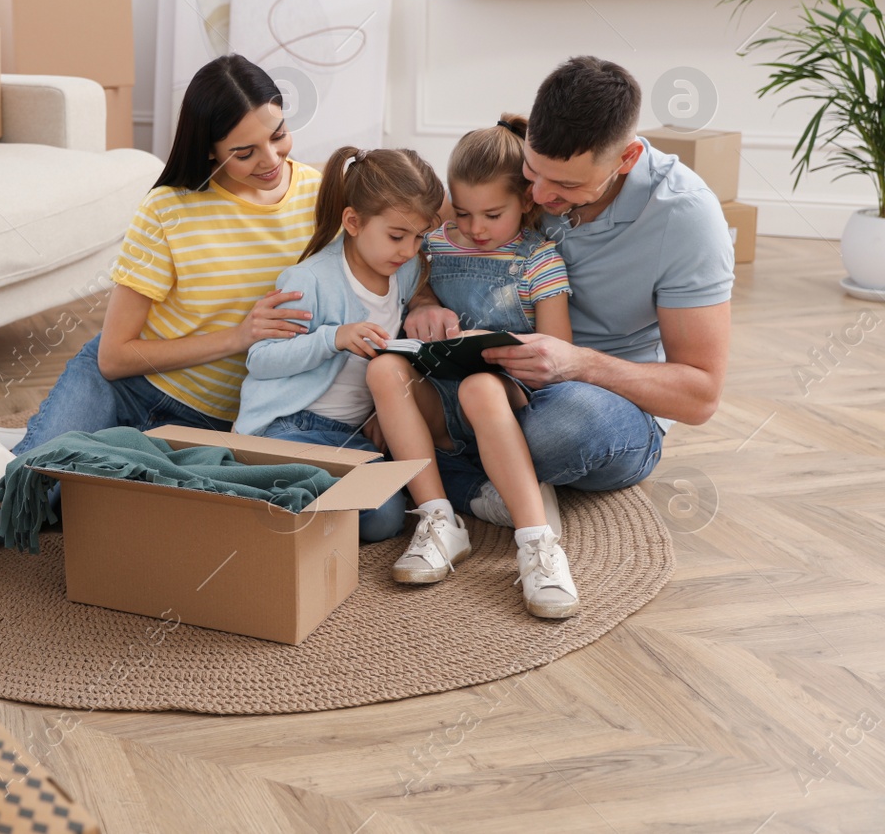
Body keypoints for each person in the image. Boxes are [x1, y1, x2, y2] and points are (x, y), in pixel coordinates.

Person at [0, 54, 322, 542]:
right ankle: (23, 448)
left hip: (222, 422)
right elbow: (113, 358)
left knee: (109, 516)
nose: (271, 160)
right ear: (211, 151)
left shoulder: (320, 196)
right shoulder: (168, 210)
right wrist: (240, 336)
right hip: (127, 387)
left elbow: (402, 241)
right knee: (6, 518)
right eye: (245, 152)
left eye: (278, 134)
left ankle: (57, 448)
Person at [402, 56, 734, 535]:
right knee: (385, 387)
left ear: (627, 159)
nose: (538, 194)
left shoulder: (684, 217)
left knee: (559, 430)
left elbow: (700, 396)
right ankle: (481, 477)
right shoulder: (521, 167)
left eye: (566, 185)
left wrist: (579, 364)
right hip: (492, 385)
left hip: (602, 401)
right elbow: (433, 239)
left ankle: (446, 477)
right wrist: (423, 301)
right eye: (533, 172)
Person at [365, 116, 580, 617]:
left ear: (526, 201)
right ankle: (440, 520)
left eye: (492, 214)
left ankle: (537, 544)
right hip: (438, 395)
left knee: (479, 387)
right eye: (462, 213)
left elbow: (558, 349)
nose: (475, 229)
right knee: (381, 372)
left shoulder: (539, 260)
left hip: (503, 395)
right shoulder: (435, 245)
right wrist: (421, 304)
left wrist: (494, 342)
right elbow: (410, 290)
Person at [233, 146, 445, 542]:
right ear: (353, 221)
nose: (409, 250)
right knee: (366, 509)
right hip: (290, 426)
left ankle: (284, 496)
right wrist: (332, 337)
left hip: (352, 437)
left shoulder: (405, 268)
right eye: (397, 236)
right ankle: (255, 486)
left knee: (389, 514)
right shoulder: (308, 279)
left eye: (419, 237)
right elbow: (260, 360)